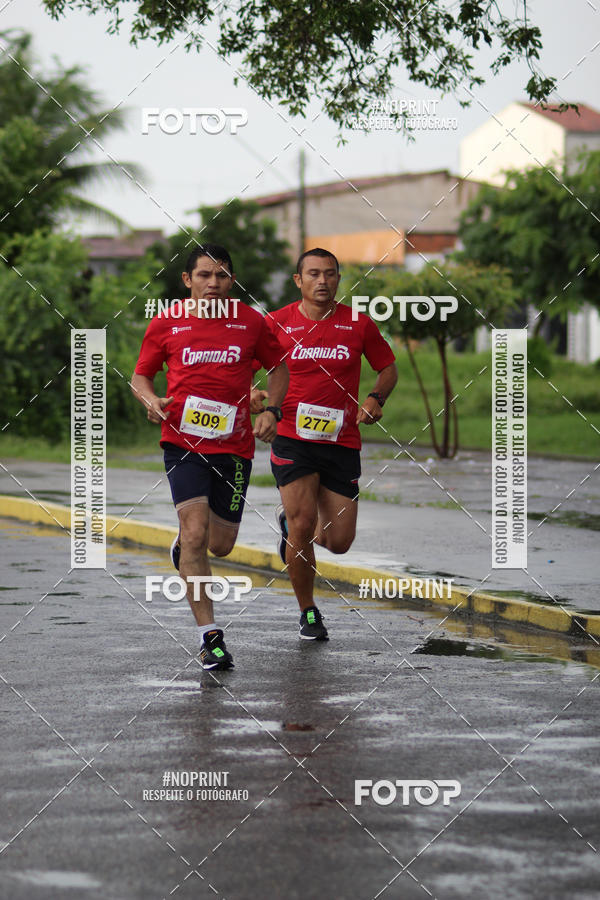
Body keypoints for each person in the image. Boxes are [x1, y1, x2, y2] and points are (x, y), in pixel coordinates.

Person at [131, 244, 288, 670]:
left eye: (221, 275)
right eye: (204, 275)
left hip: (234, 446)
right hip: (182, 441)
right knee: (197, 534)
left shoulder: (251, 322)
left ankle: (187, 544)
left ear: (232, 280)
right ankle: (210, 638)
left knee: (220, 544)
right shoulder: (167, 322)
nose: (213, 283)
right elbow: (140, 374)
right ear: (188, 280)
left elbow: (279, 368)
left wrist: (271, 409)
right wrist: (150, 400)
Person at [254, 247, 397, 640]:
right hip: (292, 439)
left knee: (339, 542)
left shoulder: (358, 324)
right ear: (298, 281)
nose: (323, 281)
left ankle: (290, 524)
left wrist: (375, 398)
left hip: (341, 440)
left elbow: (387, 367)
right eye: (313, 274)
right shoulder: (276, 323)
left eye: (330, 274)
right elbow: (247, 369)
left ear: (338, 279)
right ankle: (309, 611)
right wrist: (254, 396)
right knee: (302, 527)